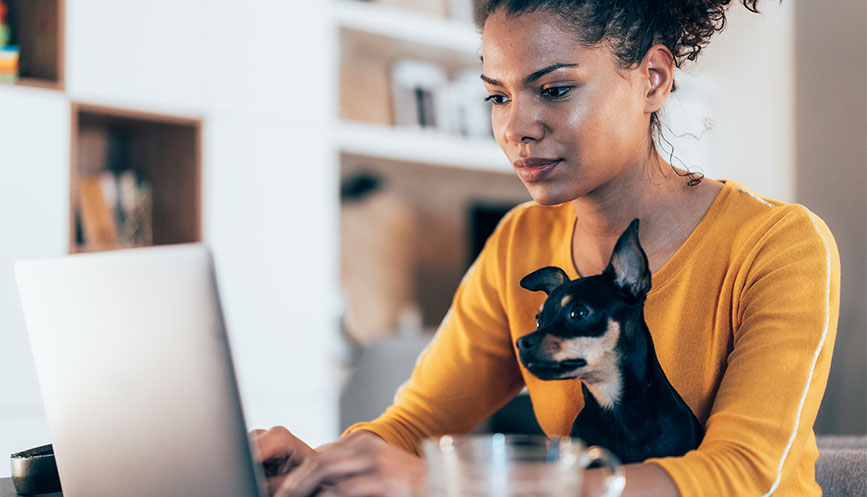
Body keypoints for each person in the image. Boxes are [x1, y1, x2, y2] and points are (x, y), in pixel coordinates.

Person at [253, 0, 841, 495]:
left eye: (554, 89)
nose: (516, 128)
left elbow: (741, 475)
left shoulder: (779, 245)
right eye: (498, 97)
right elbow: (415, 423)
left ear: (653, 80)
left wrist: (451, 483)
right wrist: (325, 465)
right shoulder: (518, 242)